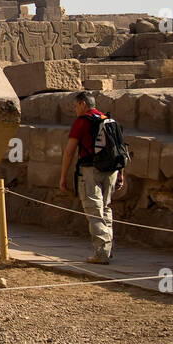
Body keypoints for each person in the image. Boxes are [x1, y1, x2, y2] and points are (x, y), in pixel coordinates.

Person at [58, 91, 120, 264]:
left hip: (90, 170)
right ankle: (107, 249)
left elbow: (69, 152)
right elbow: (120, 151)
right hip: (111, 171)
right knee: (106, 209)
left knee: (94, 211)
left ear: (83, 104)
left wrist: (63, 176)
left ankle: (101, 253)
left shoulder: (82, 122)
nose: (74, 109)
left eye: (75, 105)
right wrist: (121, 174)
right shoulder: (109, 121)